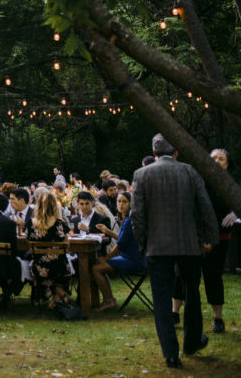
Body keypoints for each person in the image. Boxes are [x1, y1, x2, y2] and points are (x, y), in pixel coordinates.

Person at [132, 133, 218, 369]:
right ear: (177, 152)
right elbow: (205, 206)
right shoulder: (190, 172)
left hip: (157, 247)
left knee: (161, 300)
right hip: (189, 244)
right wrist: (211, 237)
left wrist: (143, 242)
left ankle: (171, 353)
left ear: (155, 153)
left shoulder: (141, 174)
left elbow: (137, 215)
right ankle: (191, 342)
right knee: (192, 293)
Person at [171, 148, 236, 334]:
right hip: (194, 236)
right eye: (213, 158)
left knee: (213, 275)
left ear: (227, 164)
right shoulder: (197, 179)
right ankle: (175, 312)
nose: (217, 161)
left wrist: (235, 211)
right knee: (181, 274)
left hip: (219, 238)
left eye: (221, 159)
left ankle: (218, 318)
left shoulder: (230, 184)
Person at [93, 191, 145, 311]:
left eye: (124, 202)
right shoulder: (128, 219)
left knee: (96, 268)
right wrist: (108, 231)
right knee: (99, 266)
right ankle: (109, 299)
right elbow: (123, 239)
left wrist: (105, 258)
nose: (121, 204)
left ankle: (108, 300)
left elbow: (119, 246)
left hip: (132, 260)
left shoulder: (128, 221)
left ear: (131, 204)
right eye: (119, 201)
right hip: (133, 257)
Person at [28, 190, 72, 308]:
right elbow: (67, 245)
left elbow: (29, 245)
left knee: (44, 269)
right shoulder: (59, 224)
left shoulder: (31, 224)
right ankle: (61, 294)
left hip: (39, 266)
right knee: (61, 267)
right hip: (60, 266)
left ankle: (55, 297)